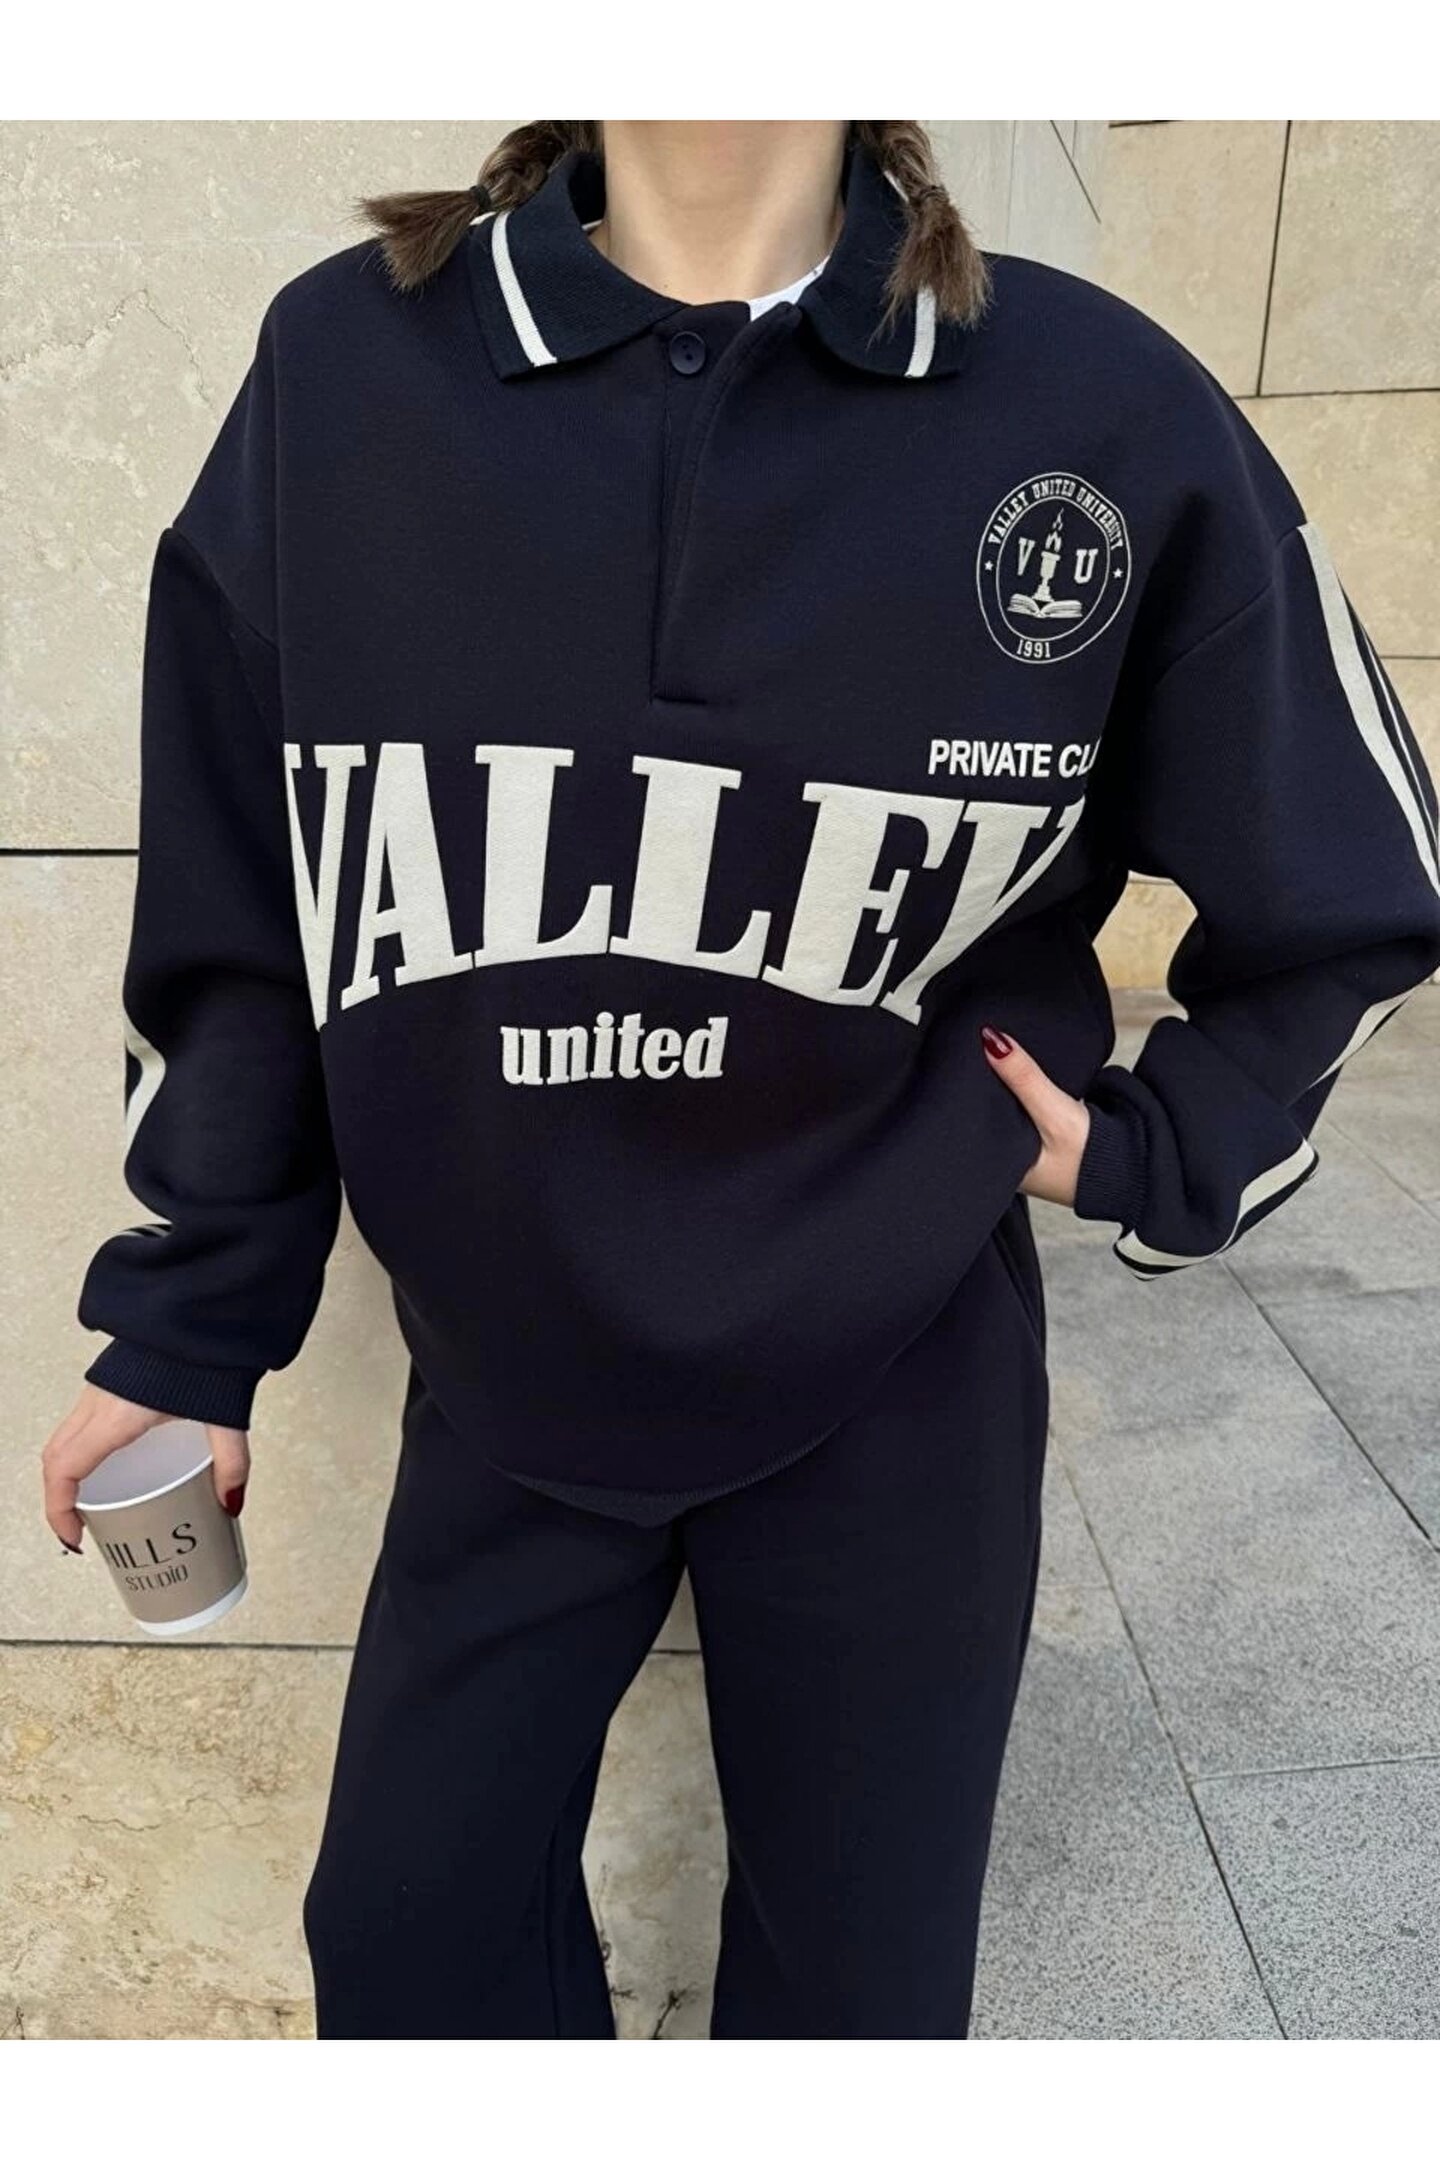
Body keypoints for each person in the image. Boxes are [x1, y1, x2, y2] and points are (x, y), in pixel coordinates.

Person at [44, 120, 1440, 2040]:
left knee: (858, 2008)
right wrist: (192, 1326)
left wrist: (1154, 1148)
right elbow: (240, 902)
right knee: (404, 1946)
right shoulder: (347, 371)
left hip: (899, 1370)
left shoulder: (1097, 405)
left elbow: (1357, 885)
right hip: (505, 1366)